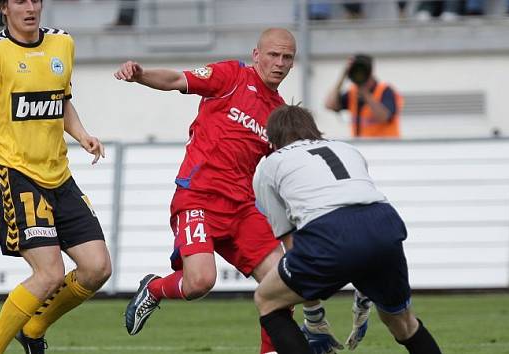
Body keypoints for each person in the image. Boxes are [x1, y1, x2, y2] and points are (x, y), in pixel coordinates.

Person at [114, 28, 361, 354]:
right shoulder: (229, 76)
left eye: (287, 57)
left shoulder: (279, 114)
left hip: (243, 208)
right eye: (273, 55)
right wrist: (141, 75)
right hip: (197, 197)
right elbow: (176, 80)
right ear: (256, 54)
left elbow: (286, 171)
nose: (280, 63)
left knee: (281, 283)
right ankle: (156, 289)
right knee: (200, 282)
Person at [0, 0, 111, 353]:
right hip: (16, 175)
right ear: (4, 8)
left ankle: (33, 329)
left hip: (60, 177)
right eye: (20, 1)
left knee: (97, 268)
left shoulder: (63, 43)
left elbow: (61, 100)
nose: (30, 7)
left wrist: (81, 135)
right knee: (49, 273)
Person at [252, 104, 442, 354]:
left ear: (273, 140)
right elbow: (361, 230)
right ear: (314, 130)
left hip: (329, 230)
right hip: (383, 221)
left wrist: (314, 317)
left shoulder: (270, 165)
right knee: (404, 323)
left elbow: (292, 246)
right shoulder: (347, 149)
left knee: (266, 299)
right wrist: (364, 301)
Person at [325, 54, 403, 138]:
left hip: (386, 146)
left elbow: (383, 117)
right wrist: (343, 76)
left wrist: (365, 94)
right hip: (362, 146)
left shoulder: (385, 91)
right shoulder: (352, 92)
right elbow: (330, 105)